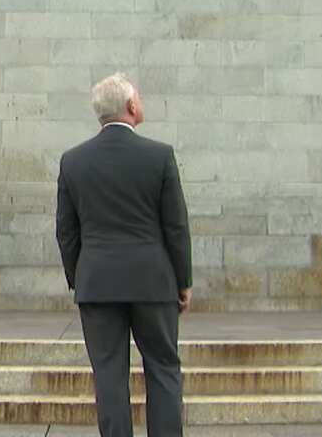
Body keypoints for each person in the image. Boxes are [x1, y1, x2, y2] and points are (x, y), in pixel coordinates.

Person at [56, 72, 193, 437]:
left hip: (98, 283)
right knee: (163, 369)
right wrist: (183, 281)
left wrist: (79, 277)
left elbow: (67, 232)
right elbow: (175, 226)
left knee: (109, 376)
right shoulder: (159, 156)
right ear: (132, 106)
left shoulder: (73, 161)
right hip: (154, 282)